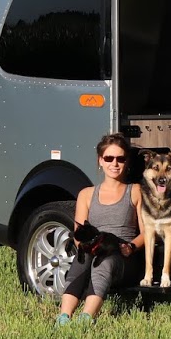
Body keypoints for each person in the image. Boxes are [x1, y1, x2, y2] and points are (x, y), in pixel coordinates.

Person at [57, 133, 143, 325]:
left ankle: (87, 317)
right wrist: (90, 246)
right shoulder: (86, 195)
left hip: (123, 257)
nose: (115, 163)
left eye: (120, 159)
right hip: (95, 248)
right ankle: (64, 316)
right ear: (100, 161)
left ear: (127, 162)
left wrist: (131, 246)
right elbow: (78, 235)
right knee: (83, 257)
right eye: (109, 158)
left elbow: (147, 233)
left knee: (105, 261)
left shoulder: (135, 191)